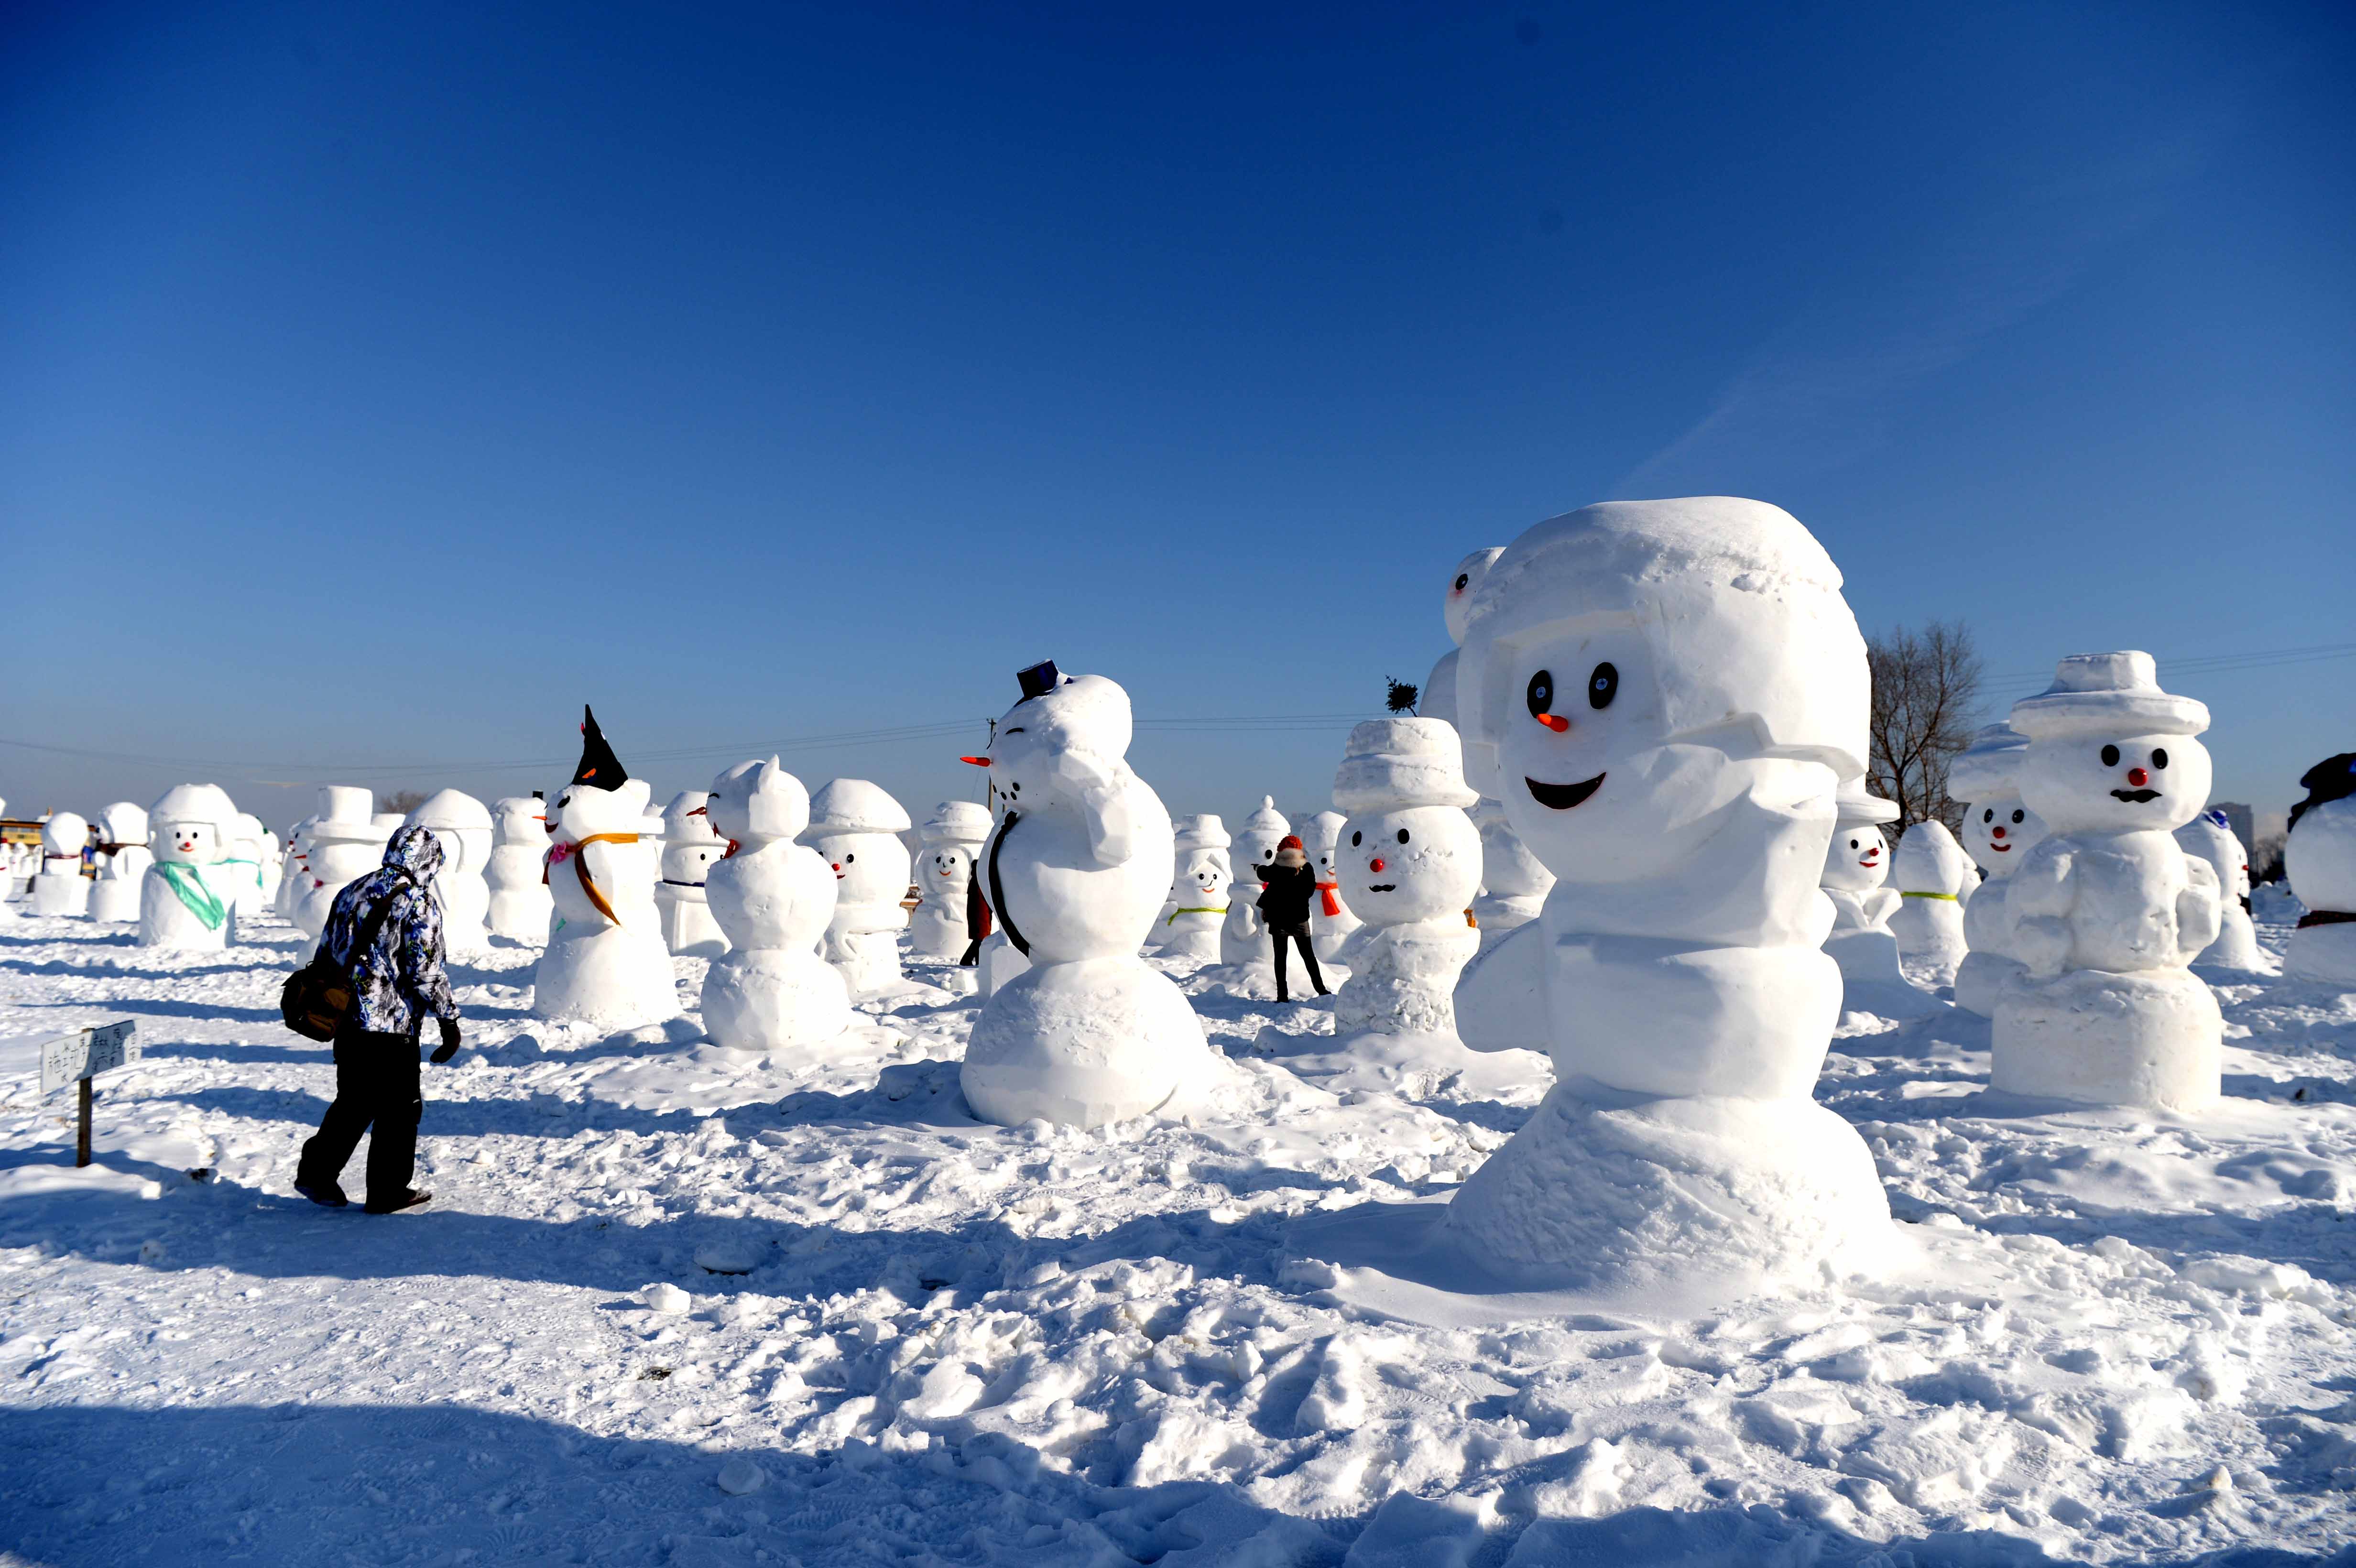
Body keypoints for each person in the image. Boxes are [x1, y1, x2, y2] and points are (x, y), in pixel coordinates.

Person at [294, 825, 463, 1214]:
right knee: (400, 1109)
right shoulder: (419, 903)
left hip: (346, 1019)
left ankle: (317, 1173)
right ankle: (387, 1189)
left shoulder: (351, 891)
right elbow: (425, 972)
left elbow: (327, 951)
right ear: (429, 861)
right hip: (392, 1026)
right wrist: (449, 1021)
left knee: (353, 1101)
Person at [1253, 834, 1329, 1003]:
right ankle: (1321, 990)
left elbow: (1263, 874)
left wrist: (1258, 867)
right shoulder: (1307, 868)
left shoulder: (1276, 868)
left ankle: (1282, 996)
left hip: (1278, 918)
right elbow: (1310, 891)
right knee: (1308, 956)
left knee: (1281, 959)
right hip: (1299, 918)